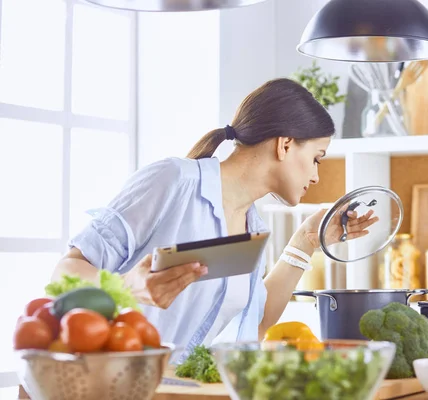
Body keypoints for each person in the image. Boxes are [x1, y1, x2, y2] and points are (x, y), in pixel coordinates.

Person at [51, 78, 378, 361]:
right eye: (316, 159)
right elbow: (66, 271)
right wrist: (127, 286)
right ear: (285, 144)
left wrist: (306, 242)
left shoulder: (253, 226)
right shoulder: (174, 180)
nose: (317, 176)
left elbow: (258, 324)